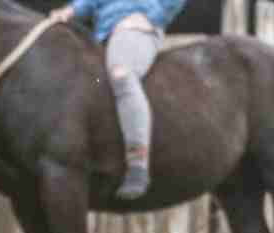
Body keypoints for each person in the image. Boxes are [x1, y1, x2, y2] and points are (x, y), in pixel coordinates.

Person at [58, 0, 187, 200]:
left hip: (135, 31)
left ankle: (138, 162)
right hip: (102, 36)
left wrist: (152, 18)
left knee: (122, 74)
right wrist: (70, 10)